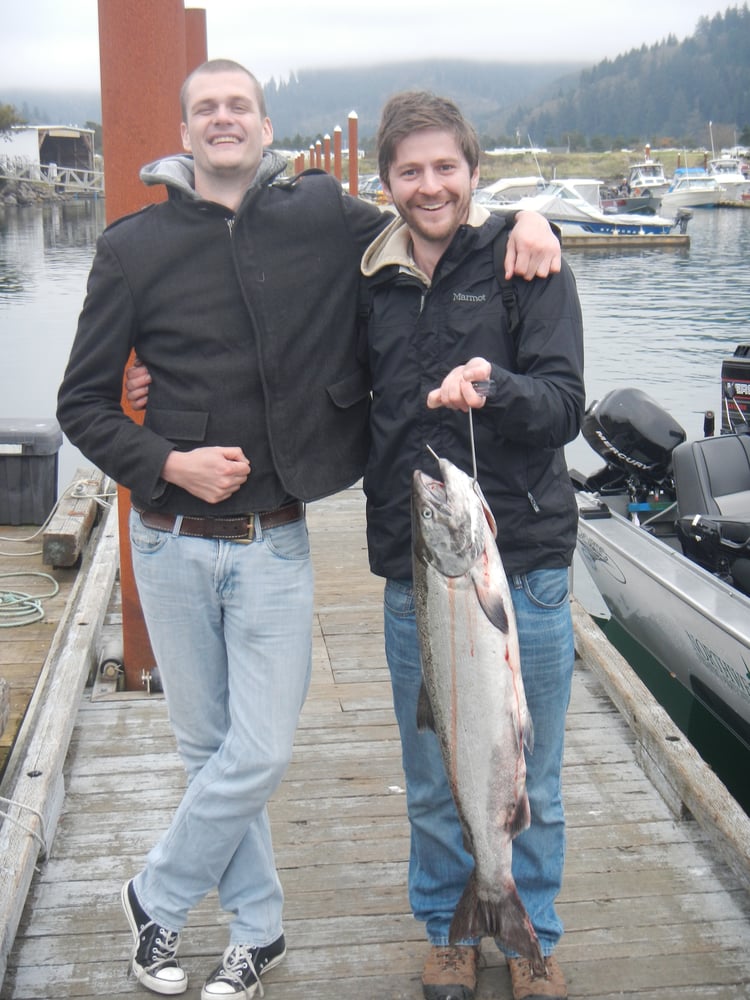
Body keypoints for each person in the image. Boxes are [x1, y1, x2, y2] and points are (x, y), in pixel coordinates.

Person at [59, 59, 561, 1000]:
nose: (222, 120)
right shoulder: (132, 247)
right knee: (210, 757)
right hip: (167, 540)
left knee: (260, 753)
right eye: (204, 107)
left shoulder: (327, 215)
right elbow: (82, 403)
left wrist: (534, 219)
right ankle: (259, 931)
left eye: (237, 106)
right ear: (184, 128)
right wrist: (163, 459)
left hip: (278, 536)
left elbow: (442, 223)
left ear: (263, 124)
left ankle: (155, 895)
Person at [358, 92, 585, 1000]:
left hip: (520, 569)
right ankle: (450, 927)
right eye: (409, 171)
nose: (429, 185)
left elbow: (565, 401)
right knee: (434, 775)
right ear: (385, 182)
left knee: (536, 777)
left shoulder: (527, 262)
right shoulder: (368, 276)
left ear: (475, 172)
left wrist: (494, 391)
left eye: (445, 167)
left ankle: (530, 936)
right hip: (415, 572)